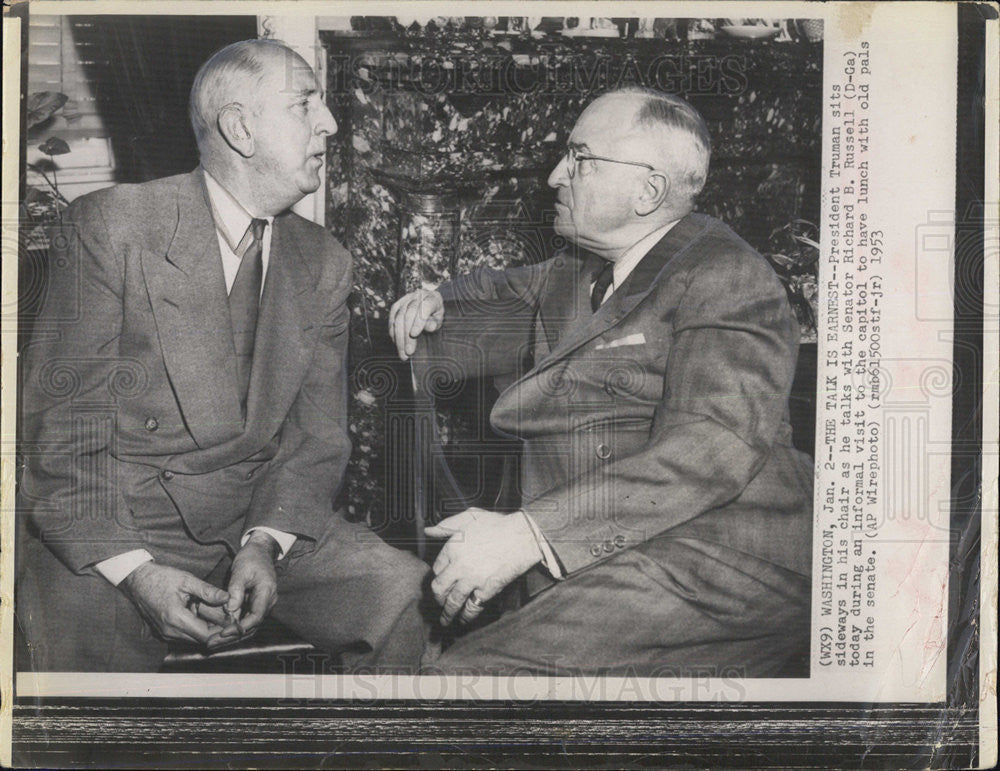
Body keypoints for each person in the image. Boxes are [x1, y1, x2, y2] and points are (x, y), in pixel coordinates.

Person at [17, 39, 429, 672]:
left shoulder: (323, 262)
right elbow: (63, 438)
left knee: (402, 594)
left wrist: (264, 542)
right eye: (305, 104)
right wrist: (136, 574)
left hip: (254, 516)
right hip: (119, 523)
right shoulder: (114, 227)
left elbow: (314, 441)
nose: (332, 124)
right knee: (84, 701)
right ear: (240, 128)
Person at [390, 87, 813, 677]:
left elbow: (712, 447)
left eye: (579, 158)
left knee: (460, 687)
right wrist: (433, 304)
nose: (555, 176)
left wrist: (528, 535)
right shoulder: (579, 269)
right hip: (613, 553)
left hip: (721, 558)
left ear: (649, 190)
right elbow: (497, 297)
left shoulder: (724, 272)